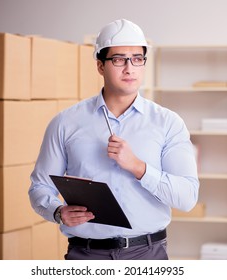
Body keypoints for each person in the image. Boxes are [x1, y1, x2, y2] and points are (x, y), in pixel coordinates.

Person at [29, 19, 199, 260]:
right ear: (100, 66)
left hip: (148, 255)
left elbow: (187, 198)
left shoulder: (168, 123)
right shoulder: (65, 123)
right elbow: (39, 186)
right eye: (119, 59)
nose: (129, 68)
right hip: (85, 255)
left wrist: (138, 167)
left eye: (137, 59)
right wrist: (57, 212)